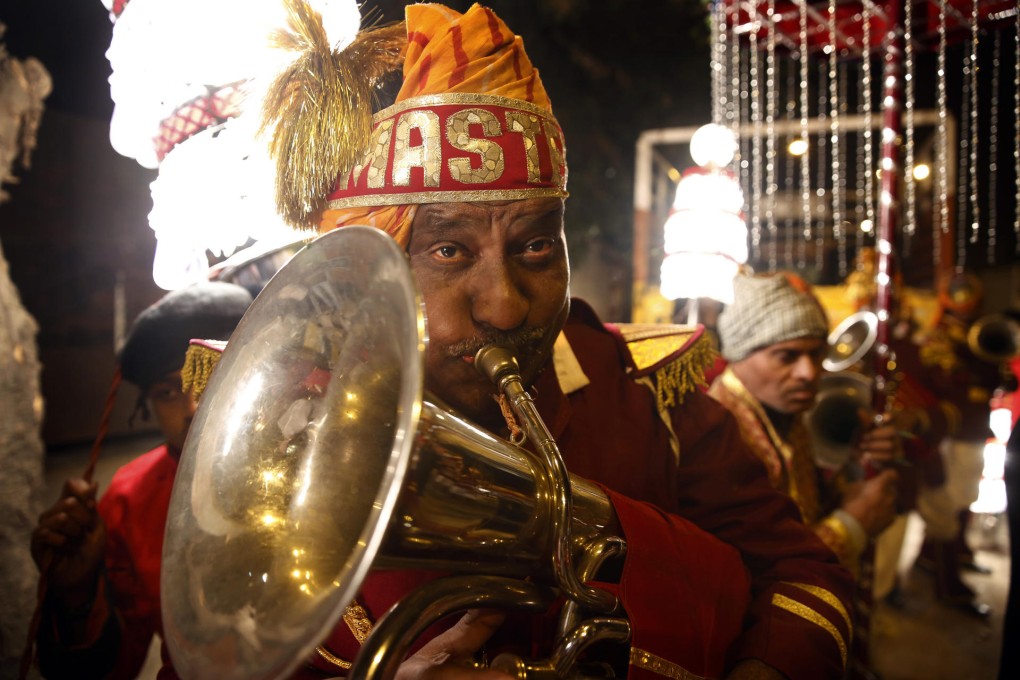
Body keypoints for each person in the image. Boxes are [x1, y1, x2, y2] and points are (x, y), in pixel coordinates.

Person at [159, 4, 855, 680]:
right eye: (449, 251)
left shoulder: (651, 394)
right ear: (373, 276)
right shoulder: (276, 424)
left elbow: (803, 577)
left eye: (535, 245)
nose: (506, 305)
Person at [29, 281, 253, 679]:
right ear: (147, 406)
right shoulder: (130, 498)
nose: (192, 407)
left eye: (208, 375)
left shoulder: (327, 455)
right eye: (168, 391)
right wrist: (78, 595)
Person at [708, 272, 902, 571]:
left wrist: (855, 465)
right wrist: (851, 525)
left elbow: (806, 511)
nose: (809, 374)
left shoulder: (786, 417)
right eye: (787, 356)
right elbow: (757, 570)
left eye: (816, 354)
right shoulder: (717, 435)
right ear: (740, 354)